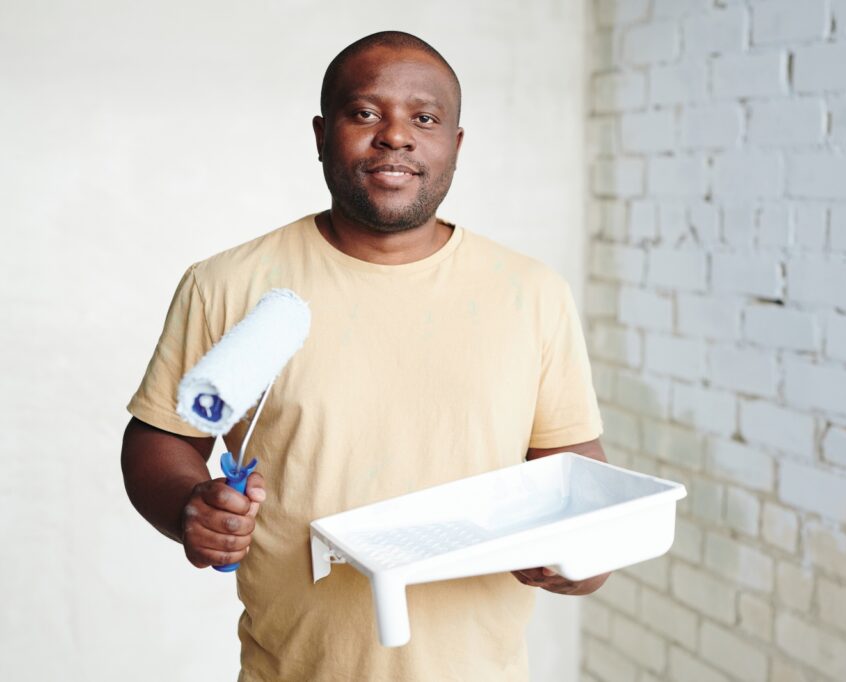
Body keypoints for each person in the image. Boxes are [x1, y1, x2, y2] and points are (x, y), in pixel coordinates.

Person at [121, 30, 607, 681]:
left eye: (424, 118)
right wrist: (191, 508)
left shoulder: (533, 294)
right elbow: (159, 439)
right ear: (321, 135)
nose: (395, 136)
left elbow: (572, 467)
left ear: (455, 146)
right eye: (365, 113)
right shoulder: (229, 285)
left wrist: (583, 551)